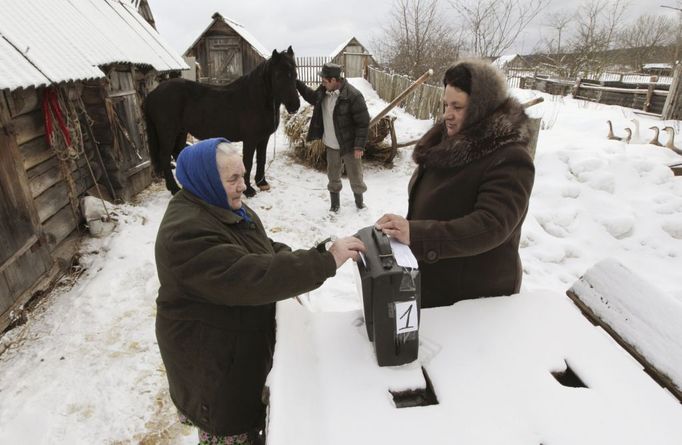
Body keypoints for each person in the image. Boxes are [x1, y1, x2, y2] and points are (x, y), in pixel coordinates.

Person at [154, 137, 365, 445]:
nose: (243, 186)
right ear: (206, 180)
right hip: (213, 364)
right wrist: (325, 261)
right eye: (233, 179)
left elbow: (260, 249)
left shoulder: (218, 204)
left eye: (243, 175)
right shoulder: (186, 234)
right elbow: (252, 276)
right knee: (231, 432)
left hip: (232, 347)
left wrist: (301, 261)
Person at [375, 59, 535, 308]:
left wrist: (417, 234)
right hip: (439, 280)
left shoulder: (510, 158)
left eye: (457, 107)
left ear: (482, 108)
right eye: (445, 105)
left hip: (475, 296)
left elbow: (491, 225)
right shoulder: (448, 143)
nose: (447, 114)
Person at [296, 63, 370, 212]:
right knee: (333, 175)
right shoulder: (323, 91)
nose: (322, 82)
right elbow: (311, 97)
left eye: (324, 80)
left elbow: (363, 123)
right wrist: (297, 83)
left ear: (334, 80)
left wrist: (359, 146)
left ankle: (359, 203)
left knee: (355, 175)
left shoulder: (353, 95)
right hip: (331, 144)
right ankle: (334, 205)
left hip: (349, 145)